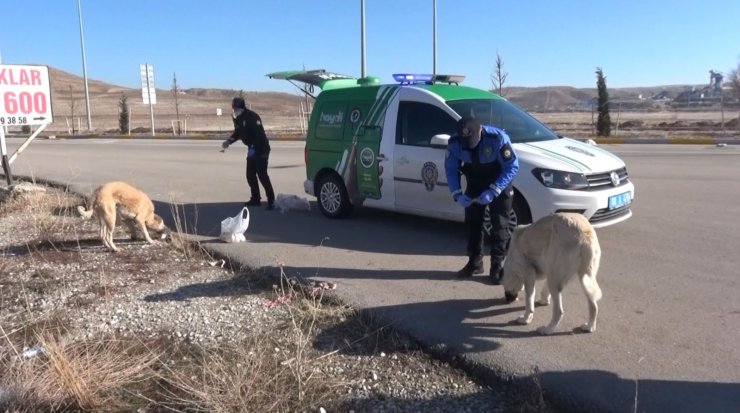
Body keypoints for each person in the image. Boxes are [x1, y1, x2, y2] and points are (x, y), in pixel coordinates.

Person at [444, 116, 519, 284]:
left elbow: (512, 166)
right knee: (473, 223)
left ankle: (497, 266)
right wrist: (456, 193)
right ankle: (475, 262)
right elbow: (451, 168)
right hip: (475, 181)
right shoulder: (455, 142)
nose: (470, 144)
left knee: (499, 225)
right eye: (466, 142)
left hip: (499, 180)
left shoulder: (497, 139)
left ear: (480, 131)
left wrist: (494, 191)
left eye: (473, 140)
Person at [222, 97, 275, 210]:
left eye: (236, 108)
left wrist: (254, 147)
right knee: (250, 175)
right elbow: (238, 133)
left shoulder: (252, 117)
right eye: (233, 108)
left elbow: (259, 135)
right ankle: (255, 199)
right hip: (251, 149)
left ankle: (271, 200)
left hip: (261, 148)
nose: (234, 110)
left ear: (241, 107)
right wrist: (228, 141)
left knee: (262, 175)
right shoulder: (240, 118)